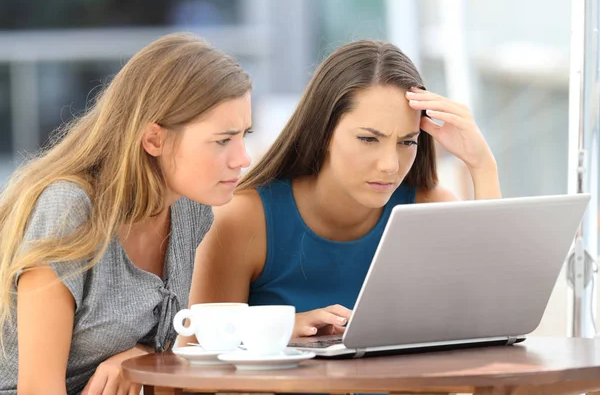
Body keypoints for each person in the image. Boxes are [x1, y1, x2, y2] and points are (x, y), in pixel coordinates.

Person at [186, 39, 501, 341]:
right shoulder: (243, 218)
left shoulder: (430, 211)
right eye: (368, 139)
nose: (390, 164)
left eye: (407, 142)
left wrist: (482, 165)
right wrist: (280, 331)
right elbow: (195, 359)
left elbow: (492, 320)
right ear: (324, 133)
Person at [0, 33, 252, 395]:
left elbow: (170, 344)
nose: (243, 158)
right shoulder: (69, 209)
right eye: (223, 140)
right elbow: (38, 388)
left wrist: (142, 356)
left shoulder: (191, 208)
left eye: (246, 134)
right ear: (154, 140)